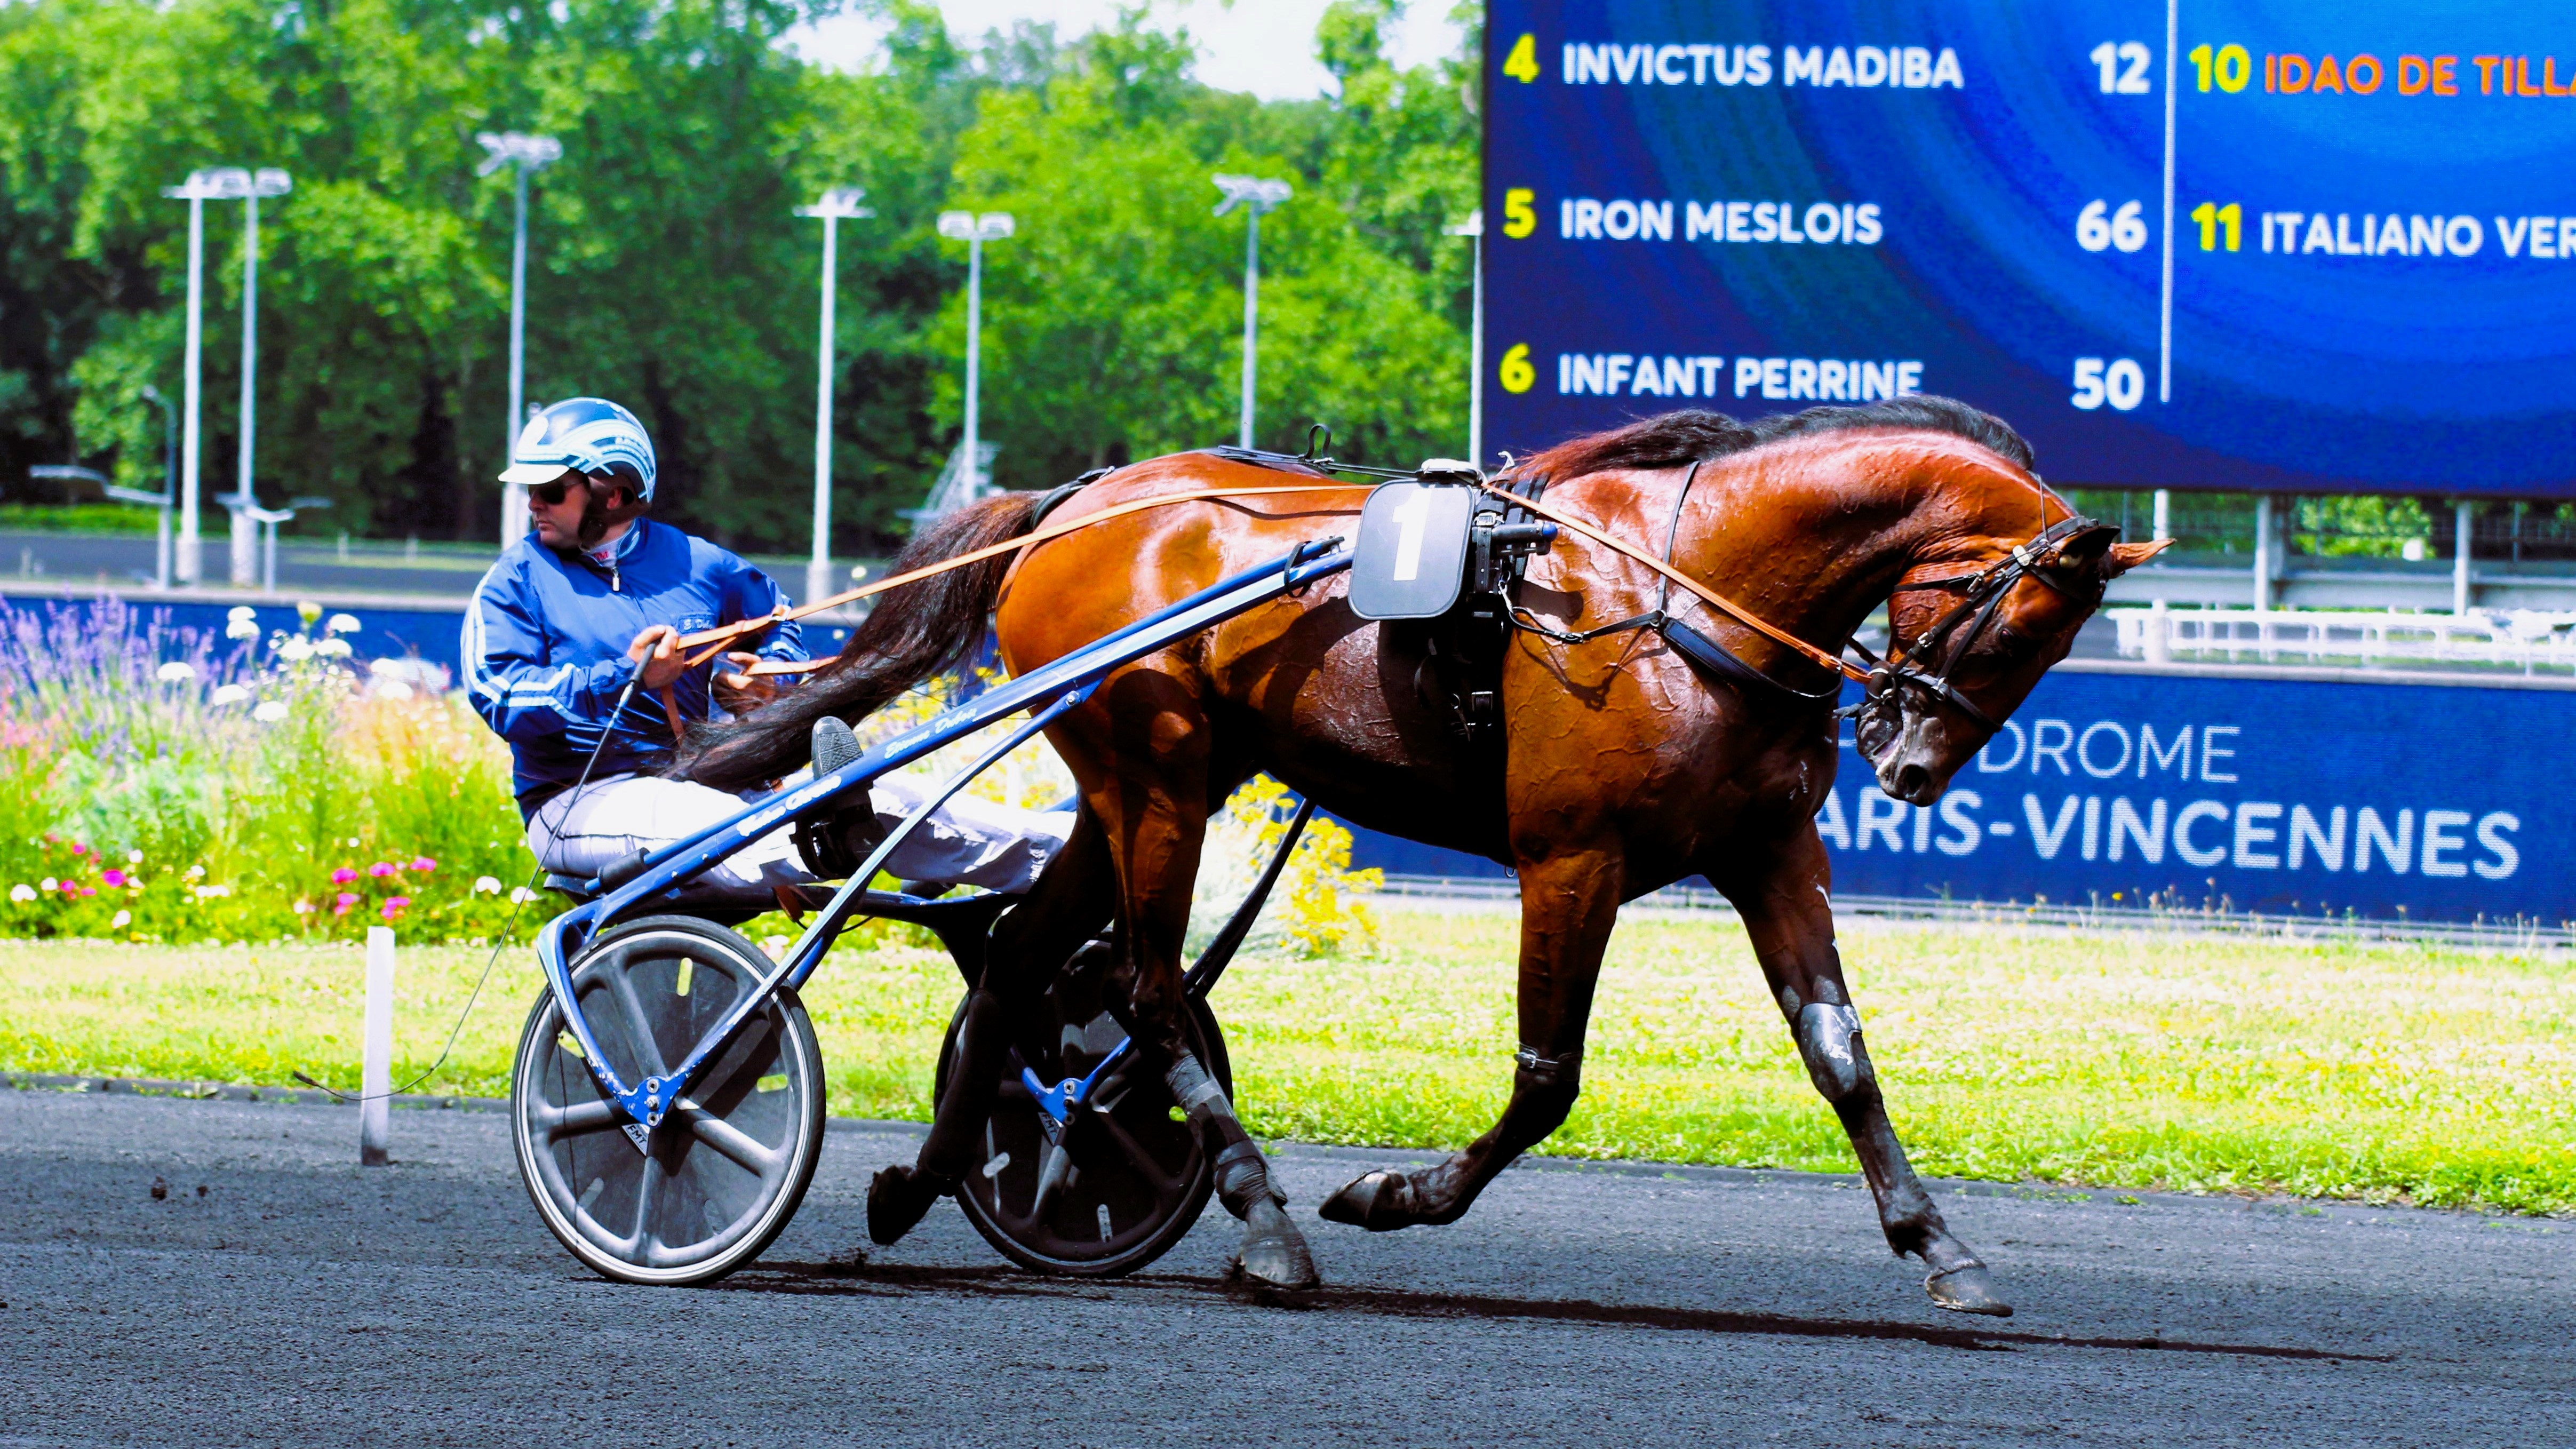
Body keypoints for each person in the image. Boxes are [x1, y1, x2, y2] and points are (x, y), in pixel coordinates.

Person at [462, 396, 1066, 894]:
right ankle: (841, 836)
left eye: (548, 488)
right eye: (531, 489)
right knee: (720, 822)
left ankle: (1070, 861)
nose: (532, 502)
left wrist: (768, 676)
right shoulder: (514, 581)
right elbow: (497, 695)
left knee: (891, 790)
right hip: (577, 802)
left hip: (704, 780)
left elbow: (779, 619)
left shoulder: (698, 562)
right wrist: (624, 679)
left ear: (613, 492)